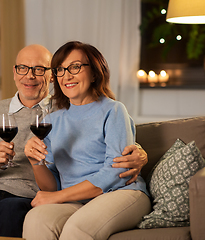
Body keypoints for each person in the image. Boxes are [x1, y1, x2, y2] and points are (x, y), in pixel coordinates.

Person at [0, 44, 148, 238]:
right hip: (9, 191)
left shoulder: (65, 109)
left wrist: (139, 151)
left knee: (14, 210)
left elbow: (114, 158)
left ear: (50, 77)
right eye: (23, 68)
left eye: (39, 69)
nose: (29, 76)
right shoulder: (11, 114)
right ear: (14, 73)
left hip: (37, 195)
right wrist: (18, 162)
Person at [23, 41, 151, 240]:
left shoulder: (114, 110)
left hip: (121, 193)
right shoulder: (51, 121)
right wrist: (35, 162)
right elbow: (51, 187)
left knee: (78, 229)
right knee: (35, 220)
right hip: (76, 201)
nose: (66, 76)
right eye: (60, 70)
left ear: (94, 73)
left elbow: (118, 172)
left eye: (75, 67)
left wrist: (58, 197)